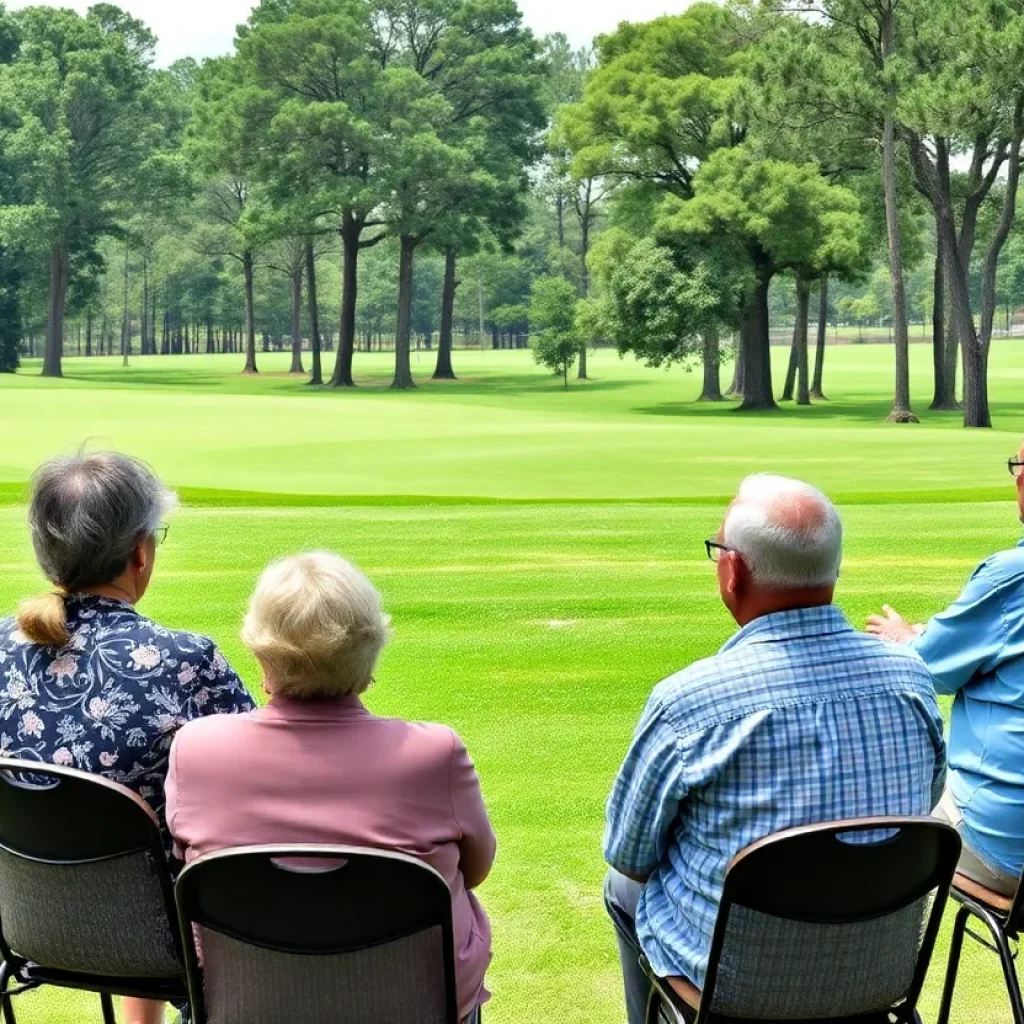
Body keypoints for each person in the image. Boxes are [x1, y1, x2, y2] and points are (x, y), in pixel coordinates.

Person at [604, 474, 946, 1024]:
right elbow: (923, 803)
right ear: (831, 568)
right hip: (877, 977)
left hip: (735, 992)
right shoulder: (911, 676)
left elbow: (630, 853)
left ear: (733, 570)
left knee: (619, 886)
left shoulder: (689, 701)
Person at [165, 552, 496, 1024]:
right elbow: (476, 869)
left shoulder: (196, 748)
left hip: (246, 1001)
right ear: (368, 654)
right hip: (413, 1004)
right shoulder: (434, 751)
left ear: (261, 652)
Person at [0, 450, 255, 1024]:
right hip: (162, 940)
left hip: (29, 926)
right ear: (140, 551)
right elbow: (264, 776)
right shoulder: (186, 661)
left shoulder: (1, 649)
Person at [867, 444, 1024, 897]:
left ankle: (848, 954)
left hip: (1004, 850)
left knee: (875, 794)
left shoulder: (1010, 578)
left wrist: (904, 638)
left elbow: (926, 669)